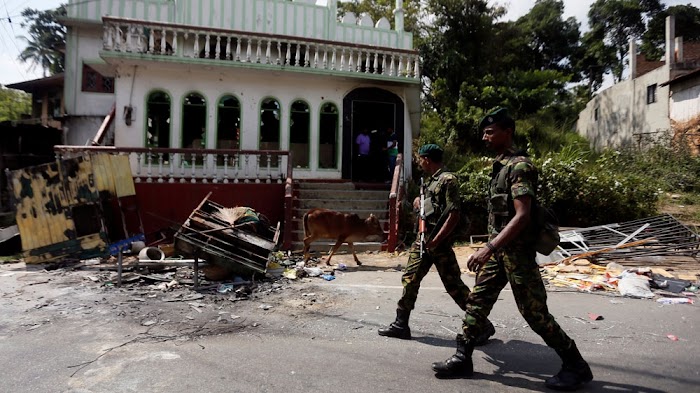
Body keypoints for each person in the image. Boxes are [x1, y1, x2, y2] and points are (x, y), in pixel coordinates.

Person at [431, 108, 593, 391]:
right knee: (477, 302)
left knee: (534, 313)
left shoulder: (520, 167)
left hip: (516, 253)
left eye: (490, 132)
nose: (484, 137)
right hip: (499, 251)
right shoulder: (500, 167)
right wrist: (491, 248)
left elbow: (522, 216)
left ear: (508, 132)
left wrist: (488, 248)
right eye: (483, 132)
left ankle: (576, 365)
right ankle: (463, 356)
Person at [378, 143, 495, 345]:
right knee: (410, 279)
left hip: (438, 243)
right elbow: (427, 209)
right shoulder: (429, 183)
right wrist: (417, 202)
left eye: (421, 159)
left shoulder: (448, 180)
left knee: (454, 286)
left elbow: (454, 214)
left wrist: (437, 240)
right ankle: (400, 323)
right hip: (423, 241)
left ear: (427, 159)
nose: (419, 162)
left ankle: (482, 324)